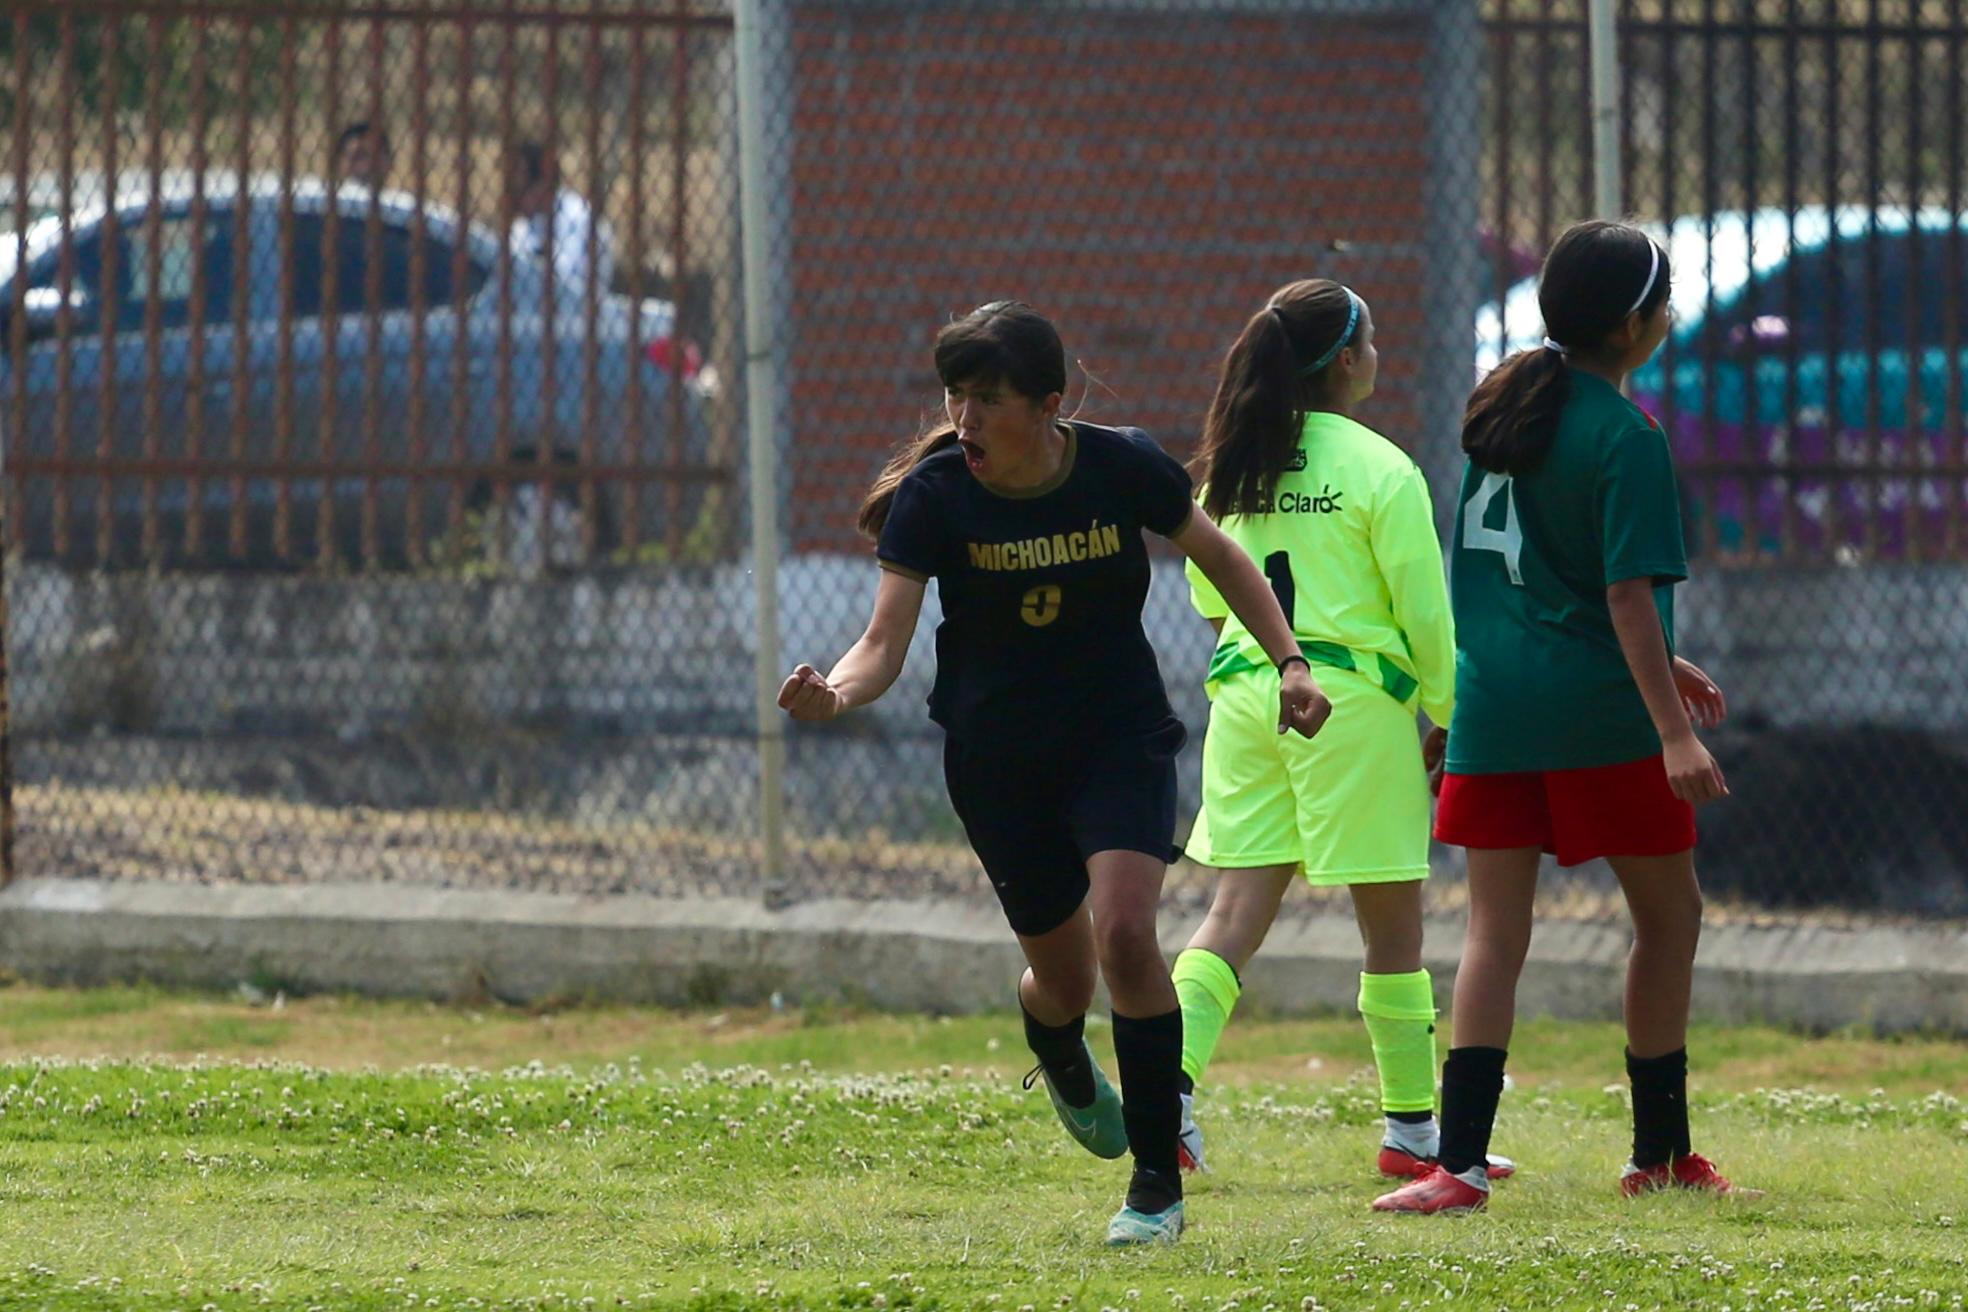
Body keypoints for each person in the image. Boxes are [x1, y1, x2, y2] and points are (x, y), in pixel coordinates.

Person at [779, 301, 1332, 1246]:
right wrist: (835, 693)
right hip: (998, 761)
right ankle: (1061, 1051)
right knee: (1064, 983)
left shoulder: (1122, 466)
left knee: (1126, 935)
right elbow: (881, 642)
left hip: (1118, 739)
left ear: (1049, 405)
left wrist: (1290, 661)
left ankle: (1155, 1187)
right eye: (955, 397)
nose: (965, 419)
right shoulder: (935, 496)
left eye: (988, 400)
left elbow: (1223, 557)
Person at [1372, 220, 1745, 1214]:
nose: (1668, 316)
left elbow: (1535, 578)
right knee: (1670, 918)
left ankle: (1457, 1165)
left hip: (1495, 711)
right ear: (1631, 326)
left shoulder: (1504, 413)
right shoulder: (1625, 434)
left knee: (1495, 934)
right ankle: (1659, 1152)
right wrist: (1673, 730)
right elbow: (1623, 594)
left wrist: (1660, 658)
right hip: (1596, 719)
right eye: (1663, 302)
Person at [1168, 279, 1511, 1187]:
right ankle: (1412, 1131)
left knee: (1231, 913)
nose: (1379, 356)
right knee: (1392, 928)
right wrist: (1451, 714)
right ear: (1348, 361)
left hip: (1248, 695)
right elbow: (1425, 613)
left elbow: (1210, 599)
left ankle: (1165, 1100)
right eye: (1373, 341)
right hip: (1352, 705)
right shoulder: (1380, 467)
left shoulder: (1232, 467)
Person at [506, 141, 617, 307]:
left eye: (523, 189)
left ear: (543, 185)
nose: (517, 198)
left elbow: (574, 281)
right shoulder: (521, 227)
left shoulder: (580, 217)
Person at [334, 122, 392, 191]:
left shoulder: (398, 197)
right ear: (338, 162)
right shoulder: (325, 194)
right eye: (357, 157)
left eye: (376, 158)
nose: (367, 166)